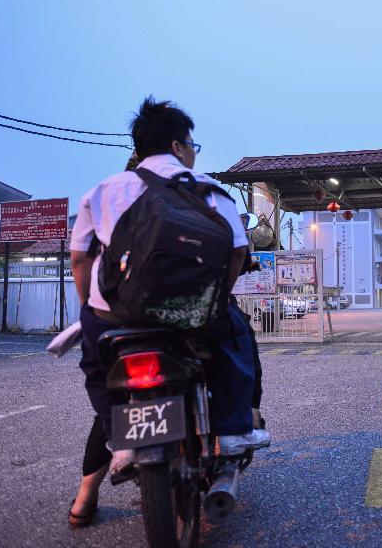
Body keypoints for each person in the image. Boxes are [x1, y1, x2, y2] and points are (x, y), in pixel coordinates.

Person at [68, 97, 269, 525]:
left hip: (116, 319)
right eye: (193, 145)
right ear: (178, 146)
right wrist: (215, 299)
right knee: (236, 340)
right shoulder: (210, 192)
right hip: (191, 317)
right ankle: (232, 434)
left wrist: (92, 309)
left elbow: (80, 258)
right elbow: (236, 252)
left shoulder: (104, 191)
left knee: (96, 365)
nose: (195, 152)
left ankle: (119, 442)